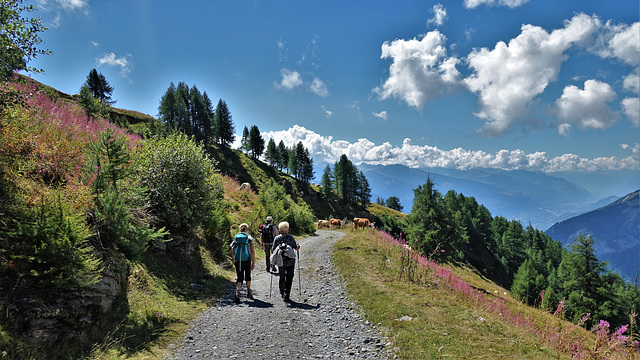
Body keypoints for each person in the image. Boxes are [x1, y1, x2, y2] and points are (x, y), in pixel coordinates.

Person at [271, 221, 299, 303]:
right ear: (286, 229)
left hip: (281, 261)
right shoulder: (290, 237)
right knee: (289, 277)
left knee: (282, 276)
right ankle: (287, 294)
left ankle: (282, 291)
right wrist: (298, 247)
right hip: (290, 261)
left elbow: (273, 249)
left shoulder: (277, 238)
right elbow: (295, 247)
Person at [229, 223, 255, 303]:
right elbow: (252, 251)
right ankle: (249, 291)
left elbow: (231, 248)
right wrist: (253, 262)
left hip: (238, 260)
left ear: (240, 229)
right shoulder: (249, 238)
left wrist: (233, 258)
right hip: (247, 260)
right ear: (246, 229)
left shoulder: (236, 237)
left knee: (239, 276)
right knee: (248, 275)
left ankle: (237, 292)